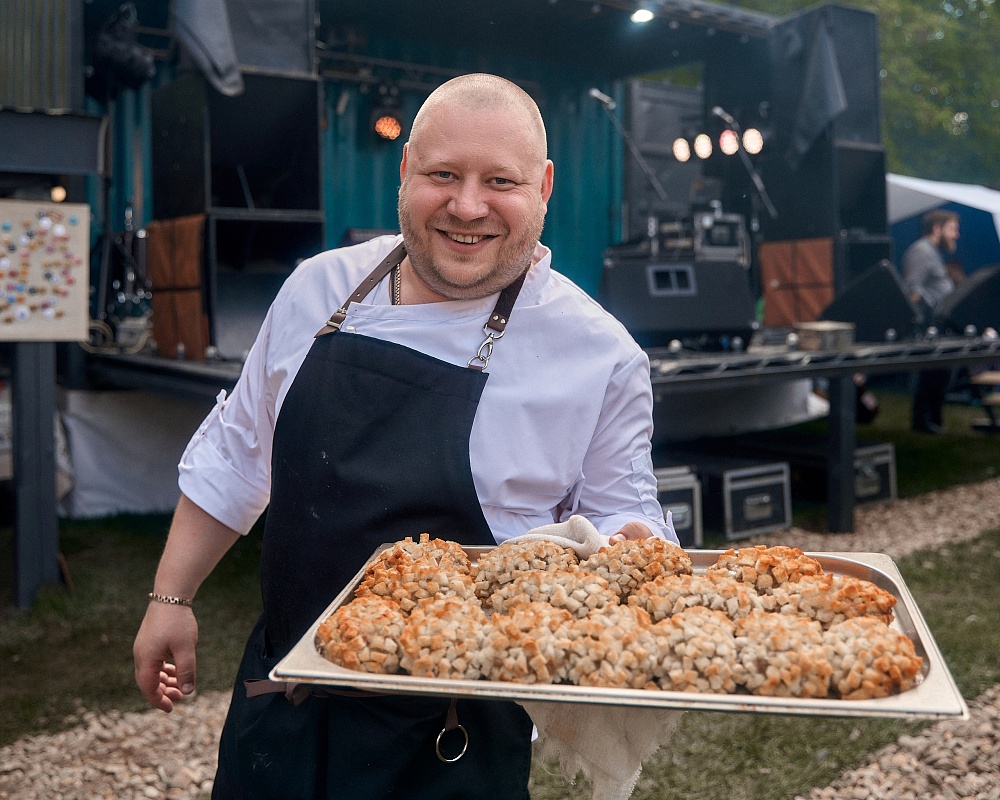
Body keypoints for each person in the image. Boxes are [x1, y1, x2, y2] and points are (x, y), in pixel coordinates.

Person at [133, 73, 675, 799]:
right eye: (443, 174)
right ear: (404, 170)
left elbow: (622, 515)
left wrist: (634, 548)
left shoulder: (599, 355)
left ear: (544, 186)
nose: (468, 205)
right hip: (282, 706)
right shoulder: (318, 291)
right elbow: (237, 452)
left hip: (451, 744)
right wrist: (171, 597)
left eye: (501, 181)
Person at [902, 209, 960, 433]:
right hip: (931, 327)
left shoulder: (932, 252)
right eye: (953, 229)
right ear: (937, 229)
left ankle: (932, 420)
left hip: (940, 324)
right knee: (931, 374)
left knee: (940, 374)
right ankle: (923, 421)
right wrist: (929, 319)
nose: (956, 235)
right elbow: (913, 290)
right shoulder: (921, 251)